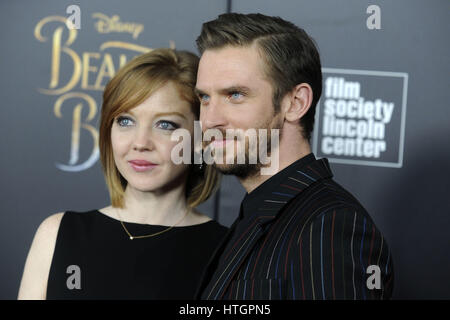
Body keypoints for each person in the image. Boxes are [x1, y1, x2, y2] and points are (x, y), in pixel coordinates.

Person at [194, 13, 394, 300]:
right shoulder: (257, 212)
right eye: (204, 98)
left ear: (296, 103)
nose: (210, 119)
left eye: (235, 95)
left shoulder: (329, 226)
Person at [18, 48, 227, 299]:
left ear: (200, 139)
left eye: (165, 125)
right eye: (126, 121)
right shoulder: (58, 233)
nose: (140, 143)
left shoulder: (227, 251)